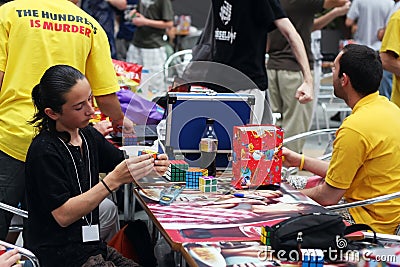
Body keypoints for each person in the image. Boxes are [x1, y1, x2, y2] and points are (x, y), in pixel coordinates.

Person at [0, 0, 133, 240]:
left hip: (11, 137)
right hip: (62, 144)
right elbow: (105, 96)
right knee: (57, 225)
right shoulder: (89, 25)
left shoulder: (9, 12)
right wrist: (122, 122)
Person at [24, 64, 169, 266]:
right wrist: (111, 181)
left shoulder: (87, 135)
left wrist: (151, 163)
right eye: (79, 106)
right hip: (58, 255)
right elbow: (63, 215)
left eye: (90, 99)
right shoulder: (44, 151)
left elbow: (121, 162)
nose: (91, 111)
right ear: (52, 113)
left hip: (91, 246)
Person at [282, 44, 400, 234]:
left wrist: (284, 199)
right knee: (291, 183)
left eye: (334, 69)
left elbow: (329, 196)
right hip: (389, 213)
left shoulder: (355, 128)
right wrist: (300, 161)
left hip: (367, 221)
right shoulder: (391, 109)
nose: (332, 71)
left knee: (281, 204)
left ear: (344, 79)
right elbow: (345, 173)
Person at [199, 0, 313, 125]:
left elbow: (291, 34)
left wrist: (308, 80)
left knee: (244, 141)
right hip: (216, 83)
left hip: (247, 86)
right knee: (214, 140)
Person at [267, 0, 350, 153]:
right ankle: (288, 169)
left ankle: (275, 168)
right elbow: (340, 1)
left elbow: (310, 27)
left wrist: (335, 14)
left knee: (275, 125)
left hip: (273, 66)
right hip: (295, 69)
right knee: (295, 130)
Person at [126, 0, 174, 94]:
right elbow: (140, 12)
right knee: (131, 81)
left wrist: (145, 22)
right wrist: (134, 14)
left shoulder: (164, 1)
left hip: (154, 47)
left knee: (153, 85)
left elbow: (169, 23)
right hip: (136, 44)